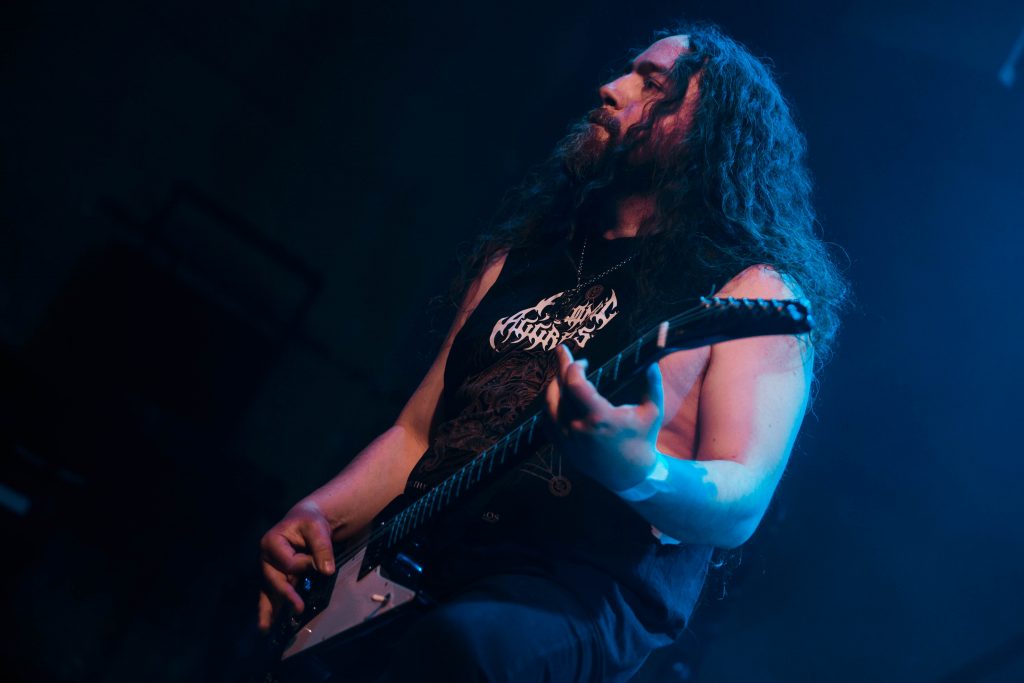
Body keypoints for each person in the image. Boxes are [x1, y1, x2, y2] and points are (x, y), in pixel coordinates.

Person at [257, 22, 847, 682]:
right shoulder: (521, 259)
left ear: (714, 132)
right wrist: (320, 513)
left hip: (572, 590)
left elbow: (741, 500)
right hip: (409, 564)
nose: (611, 87)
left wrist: (638, 470)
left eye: (653, 84)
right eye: (626, 72)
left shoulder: (749, 289)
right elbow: (418, 434)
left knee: (460, 650)